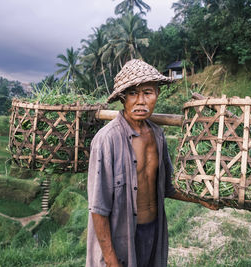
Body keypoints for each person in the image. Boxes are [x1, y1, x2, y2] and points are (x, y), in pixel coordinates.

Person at [86, 59, 218, 267]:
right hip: (120, 239)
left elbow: (168, 188)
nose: (140, 101)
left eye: (147, 93)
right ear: (122, 99)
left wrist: (201, 200)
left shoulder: (158, 135)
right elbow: (98, 207)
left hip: (153, 233)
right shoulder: (106, 140)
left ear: (157, 94)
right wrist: (111, 261)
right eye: (132, 93)